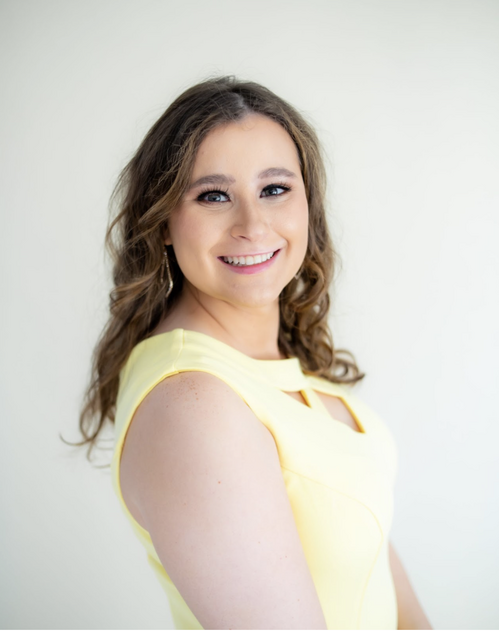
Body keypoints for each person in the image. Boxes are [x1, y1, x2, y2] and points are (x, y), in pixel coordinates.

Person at [76, 76, 432, 630]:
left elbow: (380, 571)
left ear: (307, 202)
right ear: (162, 220)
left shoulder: (268, 364)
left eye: (274, 189)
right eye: (213, 196)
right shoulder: (193, 403)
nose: (253, 225)